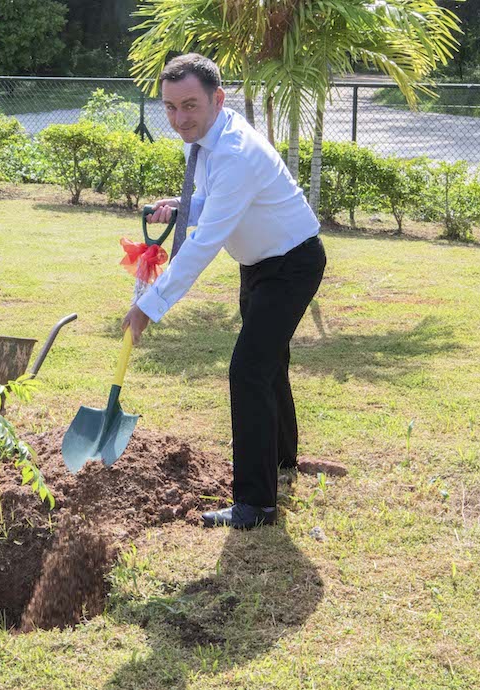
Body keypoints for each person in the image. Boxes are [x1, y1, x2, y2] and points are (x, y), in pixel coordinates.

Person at [122, 53, 326, 530]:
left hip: (292, 264)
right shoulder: (209, 138)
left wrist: (148, 308)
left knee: (248, 370)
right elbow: (217, 204)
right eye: (170, 108)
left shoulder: (234, 151)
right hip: (259, 265)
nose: (179, 119)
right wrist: (182, 205)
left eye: (189, 105)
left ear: (218, 98)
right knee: (269, 364)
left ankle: (255, 505)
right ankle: (281, 463)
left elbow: (204, 243)